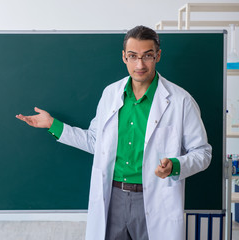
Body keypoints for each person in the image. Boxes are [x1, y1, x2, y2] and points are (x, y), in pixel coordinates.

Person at [16, 25, 211, 240]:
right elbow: (94, 141)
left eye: (147, 56)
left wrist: (175, 166)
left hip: (154, 197)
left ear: (158, 55)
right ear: (124, 57)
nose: (140, 64)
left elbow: (202, 153)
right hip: (112, 197)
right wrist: (52, 124)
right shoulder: (111, 94)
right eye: (133, 56)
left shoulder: (180, 100)